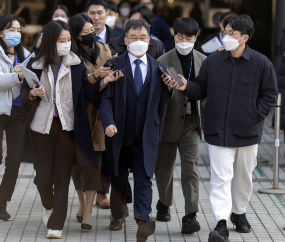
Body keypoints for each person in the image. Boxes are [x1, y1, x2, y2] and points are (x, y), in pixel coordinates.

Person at [171, 15, 278, 242]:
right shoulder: (213, 62)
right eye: (224, 32)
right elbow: (201, 88)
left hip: (248, 131)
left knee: (244, 177)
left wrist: (255, 116)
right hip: (218, 129)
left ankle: (239, 213)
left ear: (245, 38)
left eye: (231, 33)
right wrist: (186, 86)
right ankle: (221, 223)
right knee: (220, 177)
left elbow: (269, 95)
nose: (226, 36)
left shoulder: (261, 63)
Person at [17, 20, 102, 239]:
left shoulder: (76, 64)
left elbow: (85, 91)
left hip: (67, 129)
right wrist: (32, 95)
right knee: (43, 177)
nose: (65, 44)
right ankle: (48, 206)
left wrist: (102, 80)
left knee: (62, 176)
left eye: (67, 40)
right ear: (49, 42)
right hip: (41, 129)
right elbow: (25, 91)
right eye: (60, 40)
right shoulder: (35, 64)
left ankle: (56, 224)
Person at [99, 19, 169, 241]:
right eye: (133, 38)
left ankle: (142, 221)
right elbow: (106, 100)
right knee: (118, 178)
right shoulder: (114, 65)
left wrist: (170, 90)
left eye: (143, 38)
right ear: (125, 40)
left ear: (150, 40)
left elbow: (163, 103)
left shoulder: (159, 68)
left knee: (144, 178)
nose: (138, 42)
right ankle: (117, 215)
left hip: (145, 135)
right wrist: (108, 122)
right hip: (118, 133)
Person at [69, 13, 121, 231]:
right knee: (76, 166)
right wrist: (96, 76)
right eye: (84, 32)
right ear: (76, 35)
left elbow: (111, 87)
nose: (90, 34)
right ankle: (81, 203)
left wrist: (108, 78)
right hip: (77, 117)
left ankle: (88, 210)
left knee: (94, 164)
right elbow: (74, 89)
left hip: (99, 117)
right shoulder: (70, 55)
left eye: (92, 29)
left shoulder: (105, 49)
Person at [155, 17, 206, 234]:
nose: (184, 41)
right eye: (179, 36)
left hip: (192, 123)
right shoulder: (162, 60)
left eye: (189, 38)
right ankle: (165, 203)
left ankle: (190, 215)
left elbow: (207, 93)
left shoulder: (204, 60)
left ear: (196, 37)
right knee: (164, 170)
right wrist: (167, 90)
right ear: (173, 35)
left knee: (190, 169)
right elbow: (154, 97)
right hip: (168, 121)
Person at [0, 14, 30, 222]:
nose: (16, 34)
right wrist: (17, 76)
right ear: (1, 32)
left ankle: (2, 202)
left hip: (18, 113)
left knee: (14, 160)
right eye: (11, 30)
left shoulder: (26, 54)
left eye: (19, 30)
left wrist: (27, 76)